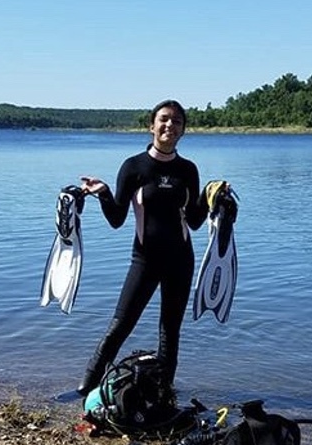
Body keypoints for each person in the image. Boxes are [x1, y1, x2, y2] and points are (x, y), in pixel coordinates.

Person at [78, 99, 218, 395]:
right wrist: (102, 193)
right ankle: (86, 388)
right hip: (144, 259)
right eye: (164, 119)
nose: (170, 125)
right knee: (120, 325)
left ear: (183, 130)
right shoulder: (134, 167)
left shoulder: (188, 170)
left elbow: (193, 221)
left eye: (177, 121)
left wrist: (210, 196)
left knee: (170, 331)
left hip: (181, 260)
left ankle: (163, 391)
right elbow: (117, 218)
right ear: (151, 125)